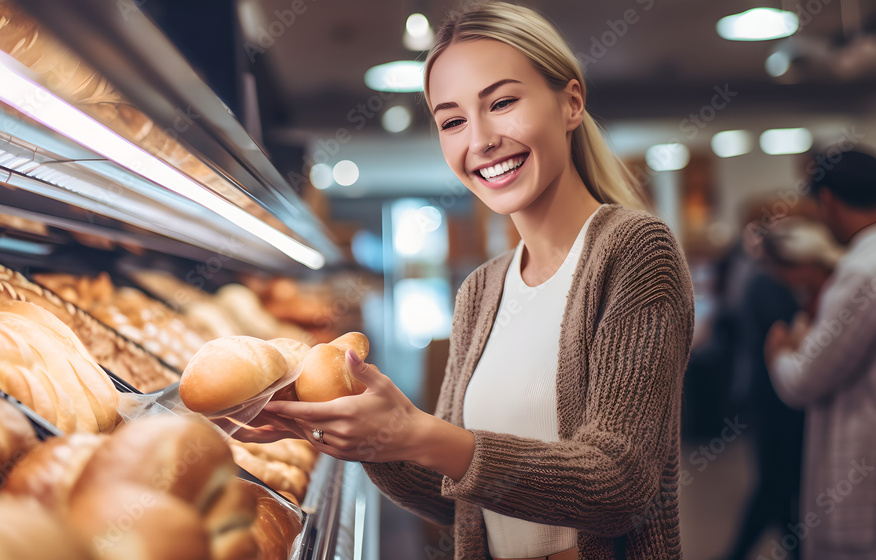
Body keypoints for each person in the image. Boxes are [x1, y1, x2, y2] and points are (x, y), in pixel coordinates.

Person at [243, 3, 694, 558]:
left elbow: (621, 485)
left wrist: (420, 432)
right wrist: (358, 435)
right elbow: (465, 503)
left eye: (501, 103)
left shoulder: (632, 251)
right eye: (452, 120)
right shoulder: (481, 291)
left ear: (571, 102)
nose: (478, 140)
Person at [764, 149, 876, 560]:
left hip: (867, 484)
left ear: (827, 202)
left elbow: (804, 381)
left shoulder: (865, 270)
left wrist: (781, 353)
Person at [724, 217, 843, 560]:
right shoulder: (767, 283)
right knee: (778, 482)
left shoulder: (773, 280)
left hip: (777, 392)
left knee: (782, 483)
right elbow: (782, 341)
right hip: (772, 397)